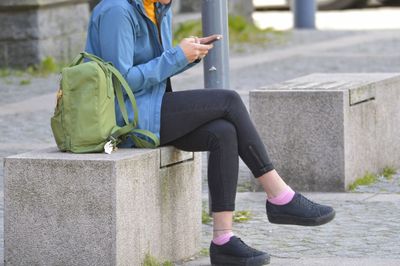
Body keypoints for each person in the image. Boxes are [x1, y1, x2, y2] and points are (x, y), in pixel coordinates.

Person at [85, 0, 335, 265]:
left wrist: (188, 55)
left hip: (148, 108)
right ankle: (279, 195)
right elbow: (120, 81)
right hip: (122, 118)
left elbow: (156, 70)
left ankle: (223, 240)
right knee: (229, 101)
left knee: (223, 132)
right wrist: (176, 56)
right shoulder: (117, 10)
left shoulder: (158, 7)